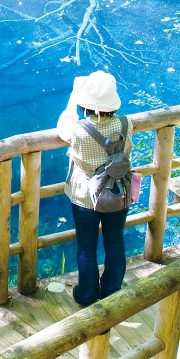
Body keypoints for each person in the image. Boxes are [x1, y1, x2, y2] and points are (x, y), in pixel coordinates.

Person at [57, 70, 132, 307]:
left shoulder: (77, 129)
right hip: (118, 191)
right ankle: (111, 291)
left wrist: (73, 94)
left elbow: (63, 123)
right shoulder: (125, 123)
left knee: (87, 248)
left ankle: (87, 295)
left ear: (85, 103)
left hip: (84, 196)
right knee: (115, 241)